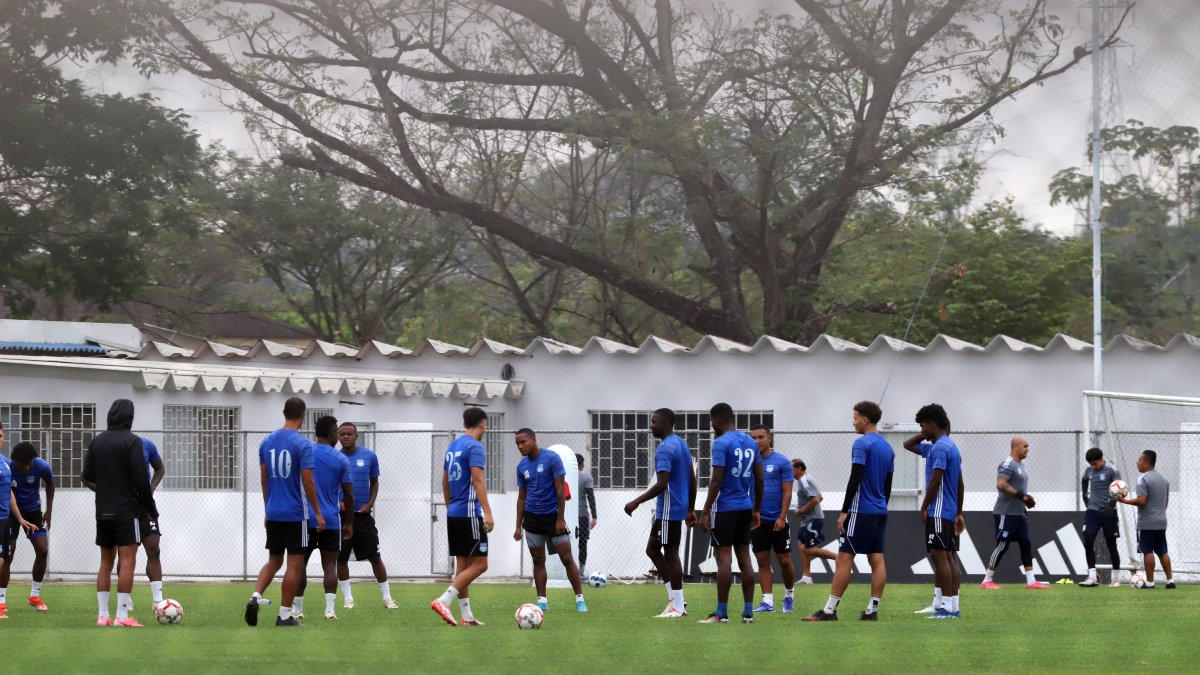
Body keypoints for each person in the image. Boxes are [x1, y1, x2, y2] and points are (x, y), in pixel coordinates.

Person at [804, 401, 894, 622]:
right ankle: (872, 611)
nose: (853, 422)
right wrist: (881, 504)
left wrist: (845, 511)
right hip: (880, 510)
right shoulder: (887, 447)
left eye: (854, 418)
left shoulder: (861, 443)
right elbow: (887, 485)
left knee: (844, 558)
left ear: (865, 419)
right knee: (877, 559)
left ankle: (829, 610)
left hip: (861, 510)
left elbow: (855, 478)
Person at [244, 396, 323, 628]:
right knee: (295, 564)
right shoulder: (303, 445)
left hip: (274, 511)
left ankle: (255, 596)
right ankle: (285, 615)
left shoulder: (267, 442)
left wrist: (268, 509)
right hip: (295, 514)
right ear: (303, 415)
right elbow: (308, 482)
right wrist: (317, 513)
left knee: (274, 561)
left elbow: (264, 478)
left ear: (283, 412)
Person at [81, 399, 159, 627]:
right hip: (126, 511)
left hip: (102, 510)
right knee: (128, 562)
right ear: (130, 417)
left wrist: (106, 487)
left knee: (105, 563)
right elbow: (141, 479)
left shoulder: (98, 442)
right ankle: (122, 617)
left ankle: (102, 615)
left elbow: (86, 475)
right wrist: (151, 509)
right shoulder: (132, 442)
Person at [624, 408, 696, 619]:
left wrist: (636, 502)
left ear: (666, 423)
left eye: (654, 422)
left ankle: (679, 607)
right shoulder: (681, 444)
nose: (651, 425)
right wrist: (690, 508)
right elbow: (692, 479)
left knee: (671, 554)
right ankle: (674, 600)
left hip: (668, 509)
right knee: (652, 550)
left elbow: (662, 483)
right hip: (678, 507)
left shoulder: (664, 448)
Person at [697, 402, 762, 625]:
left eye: (711, 421)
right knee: (745, 558)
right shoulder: (751, 442)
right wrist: (756, 509)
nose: (711, 425)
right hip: (745, 505)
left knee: (723, 559)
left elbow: (716, 480)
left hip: (724, 507)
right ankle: (748, 613)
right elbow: (759, 478)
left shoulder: (721, 443)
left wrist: (705, 511)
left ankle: (721, 613)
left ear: (717, 419)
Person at [431, 407, 494, 626]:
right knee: (481, 564)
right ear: (483, 423)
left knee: (463, 565)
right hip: (469, 512)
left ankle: (466, 616)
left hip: (455, 512)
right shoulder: (475, 447)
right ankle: (443, 600)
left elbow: (444, 482)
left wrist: (451, 508)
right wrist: (487, 512)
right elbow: (478, 481)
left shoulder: (454, 446)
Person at [512, 429, 587, 613]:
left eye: (523, 442)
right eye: (517, 444)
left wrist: (560, 519)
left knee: (567, 558)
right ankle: (542, 602)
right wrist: (517, 526)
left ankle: (580, 600)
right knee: (538, 560)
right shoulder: (522, 467)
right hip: (532, 520)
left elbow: (560, 490)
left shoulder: (552, 458)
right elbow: (521, 498)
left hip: (553, 518)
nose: (520, 447)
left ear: (533, 439)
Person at [904, 403, 965, 620]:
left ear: (933, 424)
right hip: (949, 511)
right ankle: (949, 605)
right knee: (948, 557)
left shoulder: (939, 448)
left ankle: (946, 609)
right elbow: (907, 444)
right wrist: (958, 512)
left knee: (940, 557)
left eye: (923, 426)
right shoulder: (949, 447)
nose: (921, 431)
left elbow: (936, 480)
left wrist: (923, 506)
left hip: (938, 510)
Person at [293, 416, 354, 621]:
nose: (338, 436)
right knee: (330, 565)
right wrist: (350, 522)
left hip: (305, 519)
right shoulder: (340, 459)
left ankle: (297, 609)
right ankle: (329, 610)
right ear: (331, 434)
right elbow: (349, 494)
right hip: (330, 519)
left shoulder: (305, 453)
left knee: (300, 564)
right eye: (337, 432)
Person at [335, 422, 397, 609]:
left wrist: (370, 503)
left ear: (356, 436)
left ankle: (387, 598)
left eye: (349, 434)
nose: (345, 437)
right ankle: (348, 599)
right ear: (338, 436)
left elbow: (375, 482)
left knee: (375, 556)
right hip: (341, 517)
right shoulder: (334, 457)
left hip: (362, 517)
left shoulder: (369, 456)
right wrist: (337, 503)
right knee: (341, 558)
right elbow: (327, 484)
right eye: (342, 434)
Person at [981, 437, 1049, 590]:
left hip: (1019, 513)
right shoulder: (1007, 463)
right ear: (1015, 447)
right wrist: (1021, 496)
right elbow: (1001, 484)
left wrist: (1026, 500)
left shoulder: (1021, 465)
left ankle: (1031, 581)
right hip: (1005, 513)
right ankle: (987, 580)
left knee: (1025, 543)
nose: (1027, 449)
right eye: (1025, 446)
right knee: (1002, 545)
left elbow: (1018, 490)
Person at [748, 425, 795, 614]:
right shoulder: (750, 462)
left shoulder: (782, 462)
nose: (757, 441)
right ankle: (768, 602)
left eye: (761, 437)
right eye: (754, 438)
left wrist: (782, 516)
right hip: (757, 520)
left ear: (770, 439)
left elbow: (787, 491)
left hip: (777, 519)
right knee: (762, 562)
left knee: (784, 561)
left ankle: (789, 594)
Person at [2, 441, 53, 613]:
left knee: (43, 549)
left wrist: (49, 511)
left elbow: (50, 484)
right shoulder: (8, 467)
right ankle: (1, 600)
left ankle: (34, 595)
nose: (24, 467)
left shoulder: (42, 466)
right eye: (20, 464)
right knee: (7, 555)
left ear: (33, 460)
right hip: (11, 514)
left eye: (27, 464)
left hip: (33, 513)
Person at [1115, 450, 1174, 589]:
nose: (1137, 462)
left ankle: (1149, 582)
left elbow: (1142, 501)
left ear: (1147, 462)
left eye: (1139, 460)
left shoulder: (1143, 479)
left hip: (1147, 522)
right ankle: (1170, 581)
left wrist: (1124, 501)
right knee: (1162, 551)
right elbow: (1165, 502)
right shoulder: (1164, 479)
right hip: (1161, 521)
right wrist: (1158, 513)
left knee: (1147, 551)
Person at [1079, 447, 1124, 587]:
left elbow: (1120, 487)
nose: (1093, 466)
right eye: (1091, 464)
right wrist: (1084, 495)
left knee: (1111, 545)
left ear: (1101, 459)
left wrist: (1111, 504)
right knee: (1088, 541)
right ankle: (1092, 577)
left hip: (1108, 513)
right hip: (1092, 512)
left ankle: (1116, 578)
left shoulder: (1112, 470)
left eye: (1095, 463)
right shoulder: (1088, 470)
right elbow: (1084, 480)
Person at [135, 436, 167, 611]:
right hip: (126, 505)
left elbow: (160, 469)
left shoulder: (146, 445)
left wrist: (151, 488)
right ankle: (126, 597)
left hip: (146, 505)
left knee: (154, 548)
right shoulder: (119, 447)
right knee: (126, 553)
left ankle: (158, 600)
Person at [791, 458, 836, 584]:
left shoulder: (804, 480)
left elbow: (815, 500)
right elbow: (820, 497)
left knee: (810, 549)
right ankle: (806, 577)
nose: (790, 472)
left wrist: (801, 511)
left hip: (813, 520)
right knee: (801, 546)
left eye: (791, 469)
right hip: (808, 520)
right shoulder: (805, 479)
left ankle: (840, 559)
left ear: (799, 468)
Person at [576, 453, 597, 577]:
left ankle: (567, 569)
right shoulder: (586, 478)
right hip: (582, 516)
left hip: (566, 516)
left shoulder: (564, 477)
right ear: (582, 465)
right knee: (582, 543)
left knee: (565, 542)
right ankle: (581, 571)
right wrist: (594, 516)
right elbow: (590, 497)